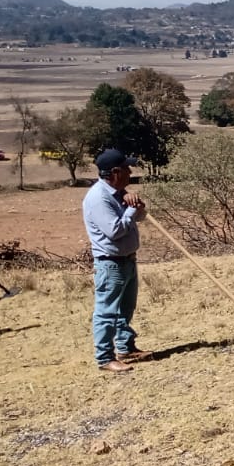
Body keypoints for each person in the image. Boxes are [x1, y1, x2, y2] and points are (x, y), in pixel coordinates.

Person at [82, 149, 151, 373]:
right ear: (114, 172)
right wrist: (129, 210)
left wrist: (137, 207)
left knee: (125, 309)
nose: (130, 172)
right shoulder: (99, 198)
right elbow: (115, 231)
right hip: (110, 263)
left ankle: (126, 347)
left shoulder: (117, 193)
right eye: (126, 168)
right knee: (106, 311)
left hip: (127, 260)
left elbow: (137, 219)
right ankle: (104, 358)